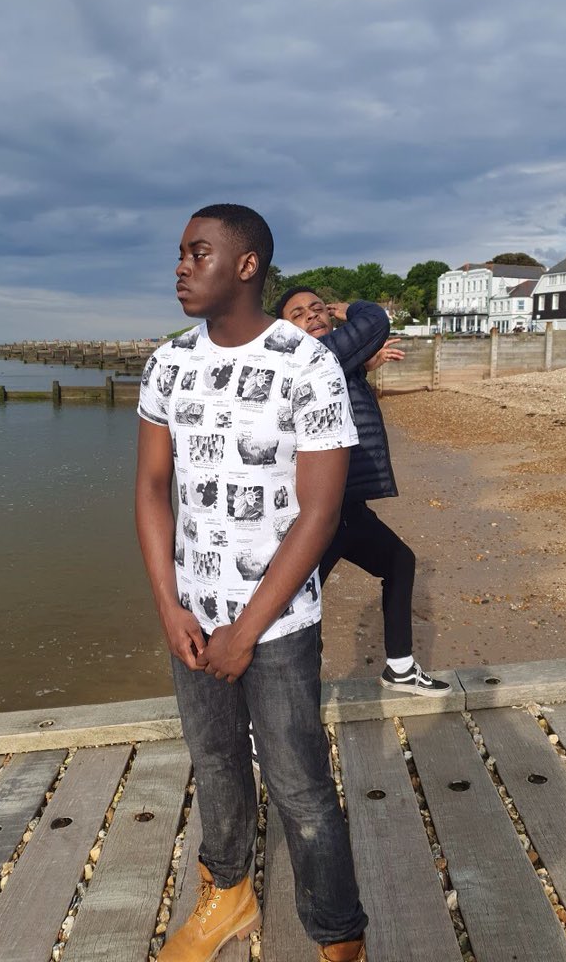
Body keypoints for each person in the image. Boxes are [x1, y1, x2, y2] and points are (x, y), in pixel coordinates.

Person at [135, 206, 368, 962]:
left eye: (197, 252)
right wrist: (169, 606)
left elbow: (320, 512)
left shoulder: (306, 365)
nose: (180, 266)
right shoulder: (168, 363)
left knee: (300, 786)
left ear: (246, 265)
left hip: (279, 624)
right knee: (215, 763)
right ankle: (229, 895)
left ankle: (338, 936)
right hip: (193, 618)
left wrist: (247, 630)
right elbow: (152, 489)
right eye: (179, 253)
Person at [275, 287, 451, 696]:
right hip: (318, 514)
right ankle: (283, 699)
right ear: (283, 331)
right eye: (298, 314)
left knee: (398, 562)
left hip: (347, 508)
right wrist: (348, 308)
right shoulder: (307, 356)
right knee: (296, 605)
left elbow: (338, 397)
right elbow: (374, 321)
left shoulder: (330, 362)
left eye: (318, 309)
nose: (313, 315)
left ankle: (399, 668)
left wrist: (362, 366)